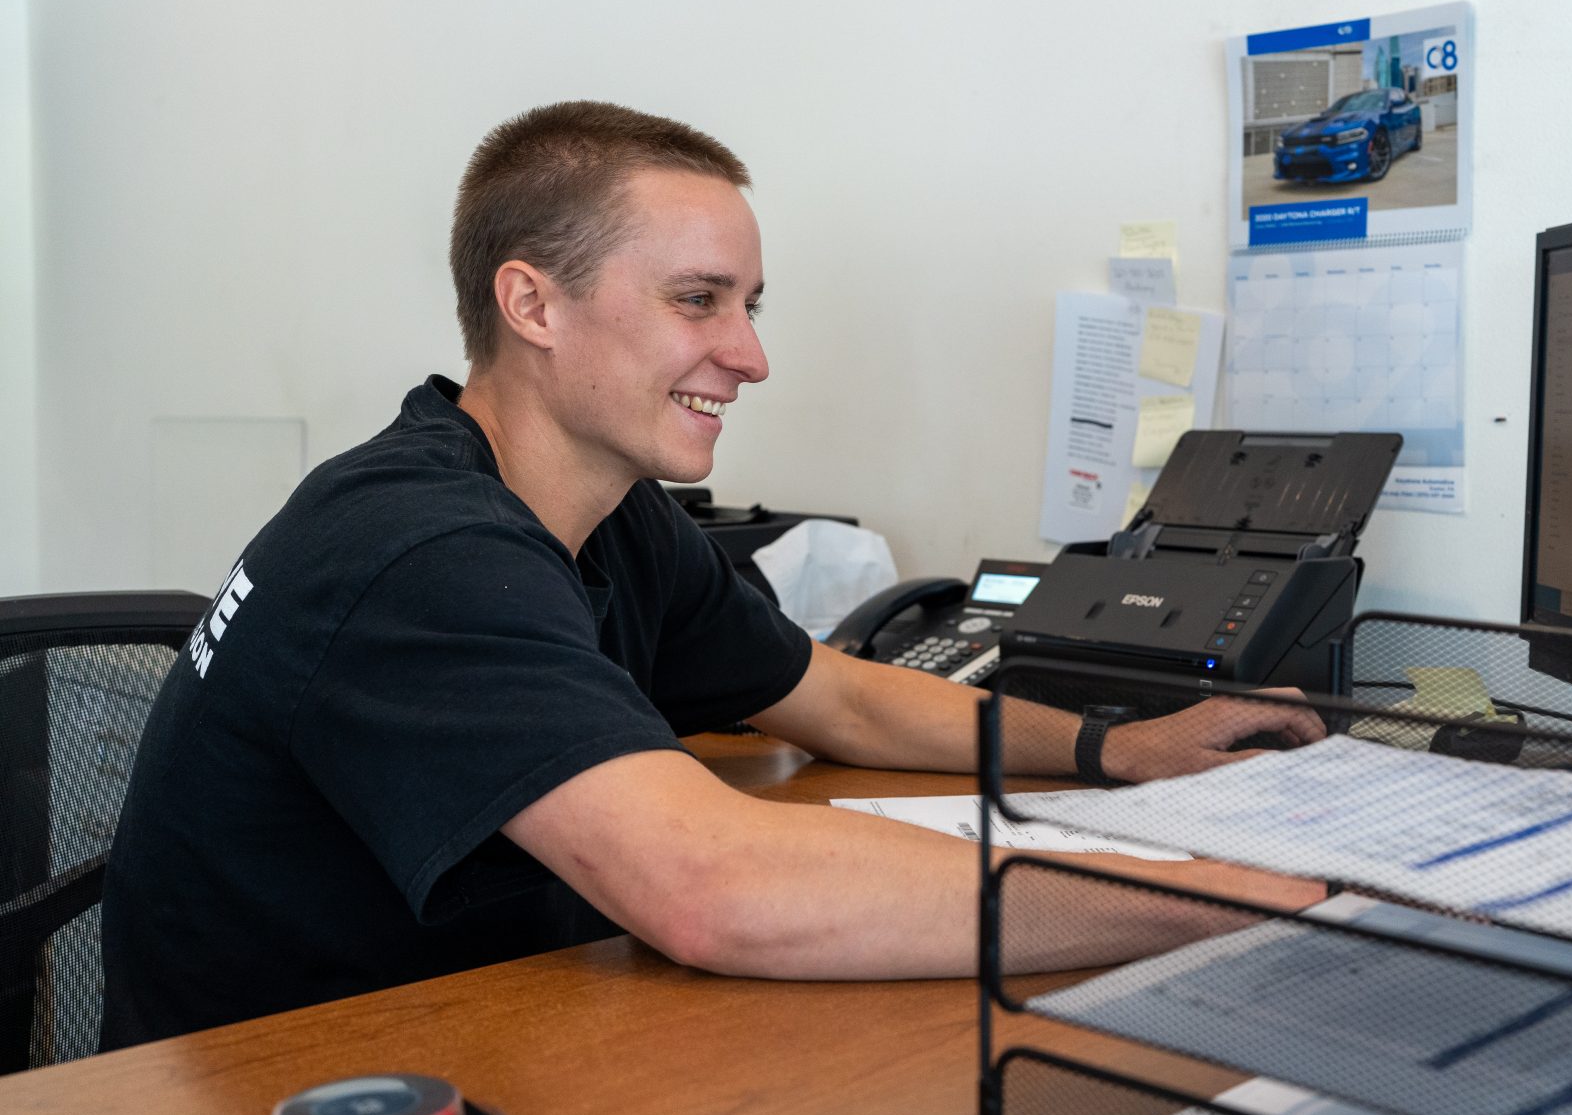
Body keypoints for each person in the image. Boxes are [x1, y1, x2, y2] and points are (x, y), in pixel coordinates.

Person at [98, 101, 1323, 1050]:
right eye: (697, 301)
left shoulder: (611, 509)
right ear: (531, 303)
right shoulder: (419, 547)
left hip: (487, 1030)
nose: (748, 355)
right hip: (274, 1109)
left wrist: (1121, 750)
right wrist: (1230, 898)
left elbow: (836, 696)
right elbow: (712, 889)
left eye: (747, 305)